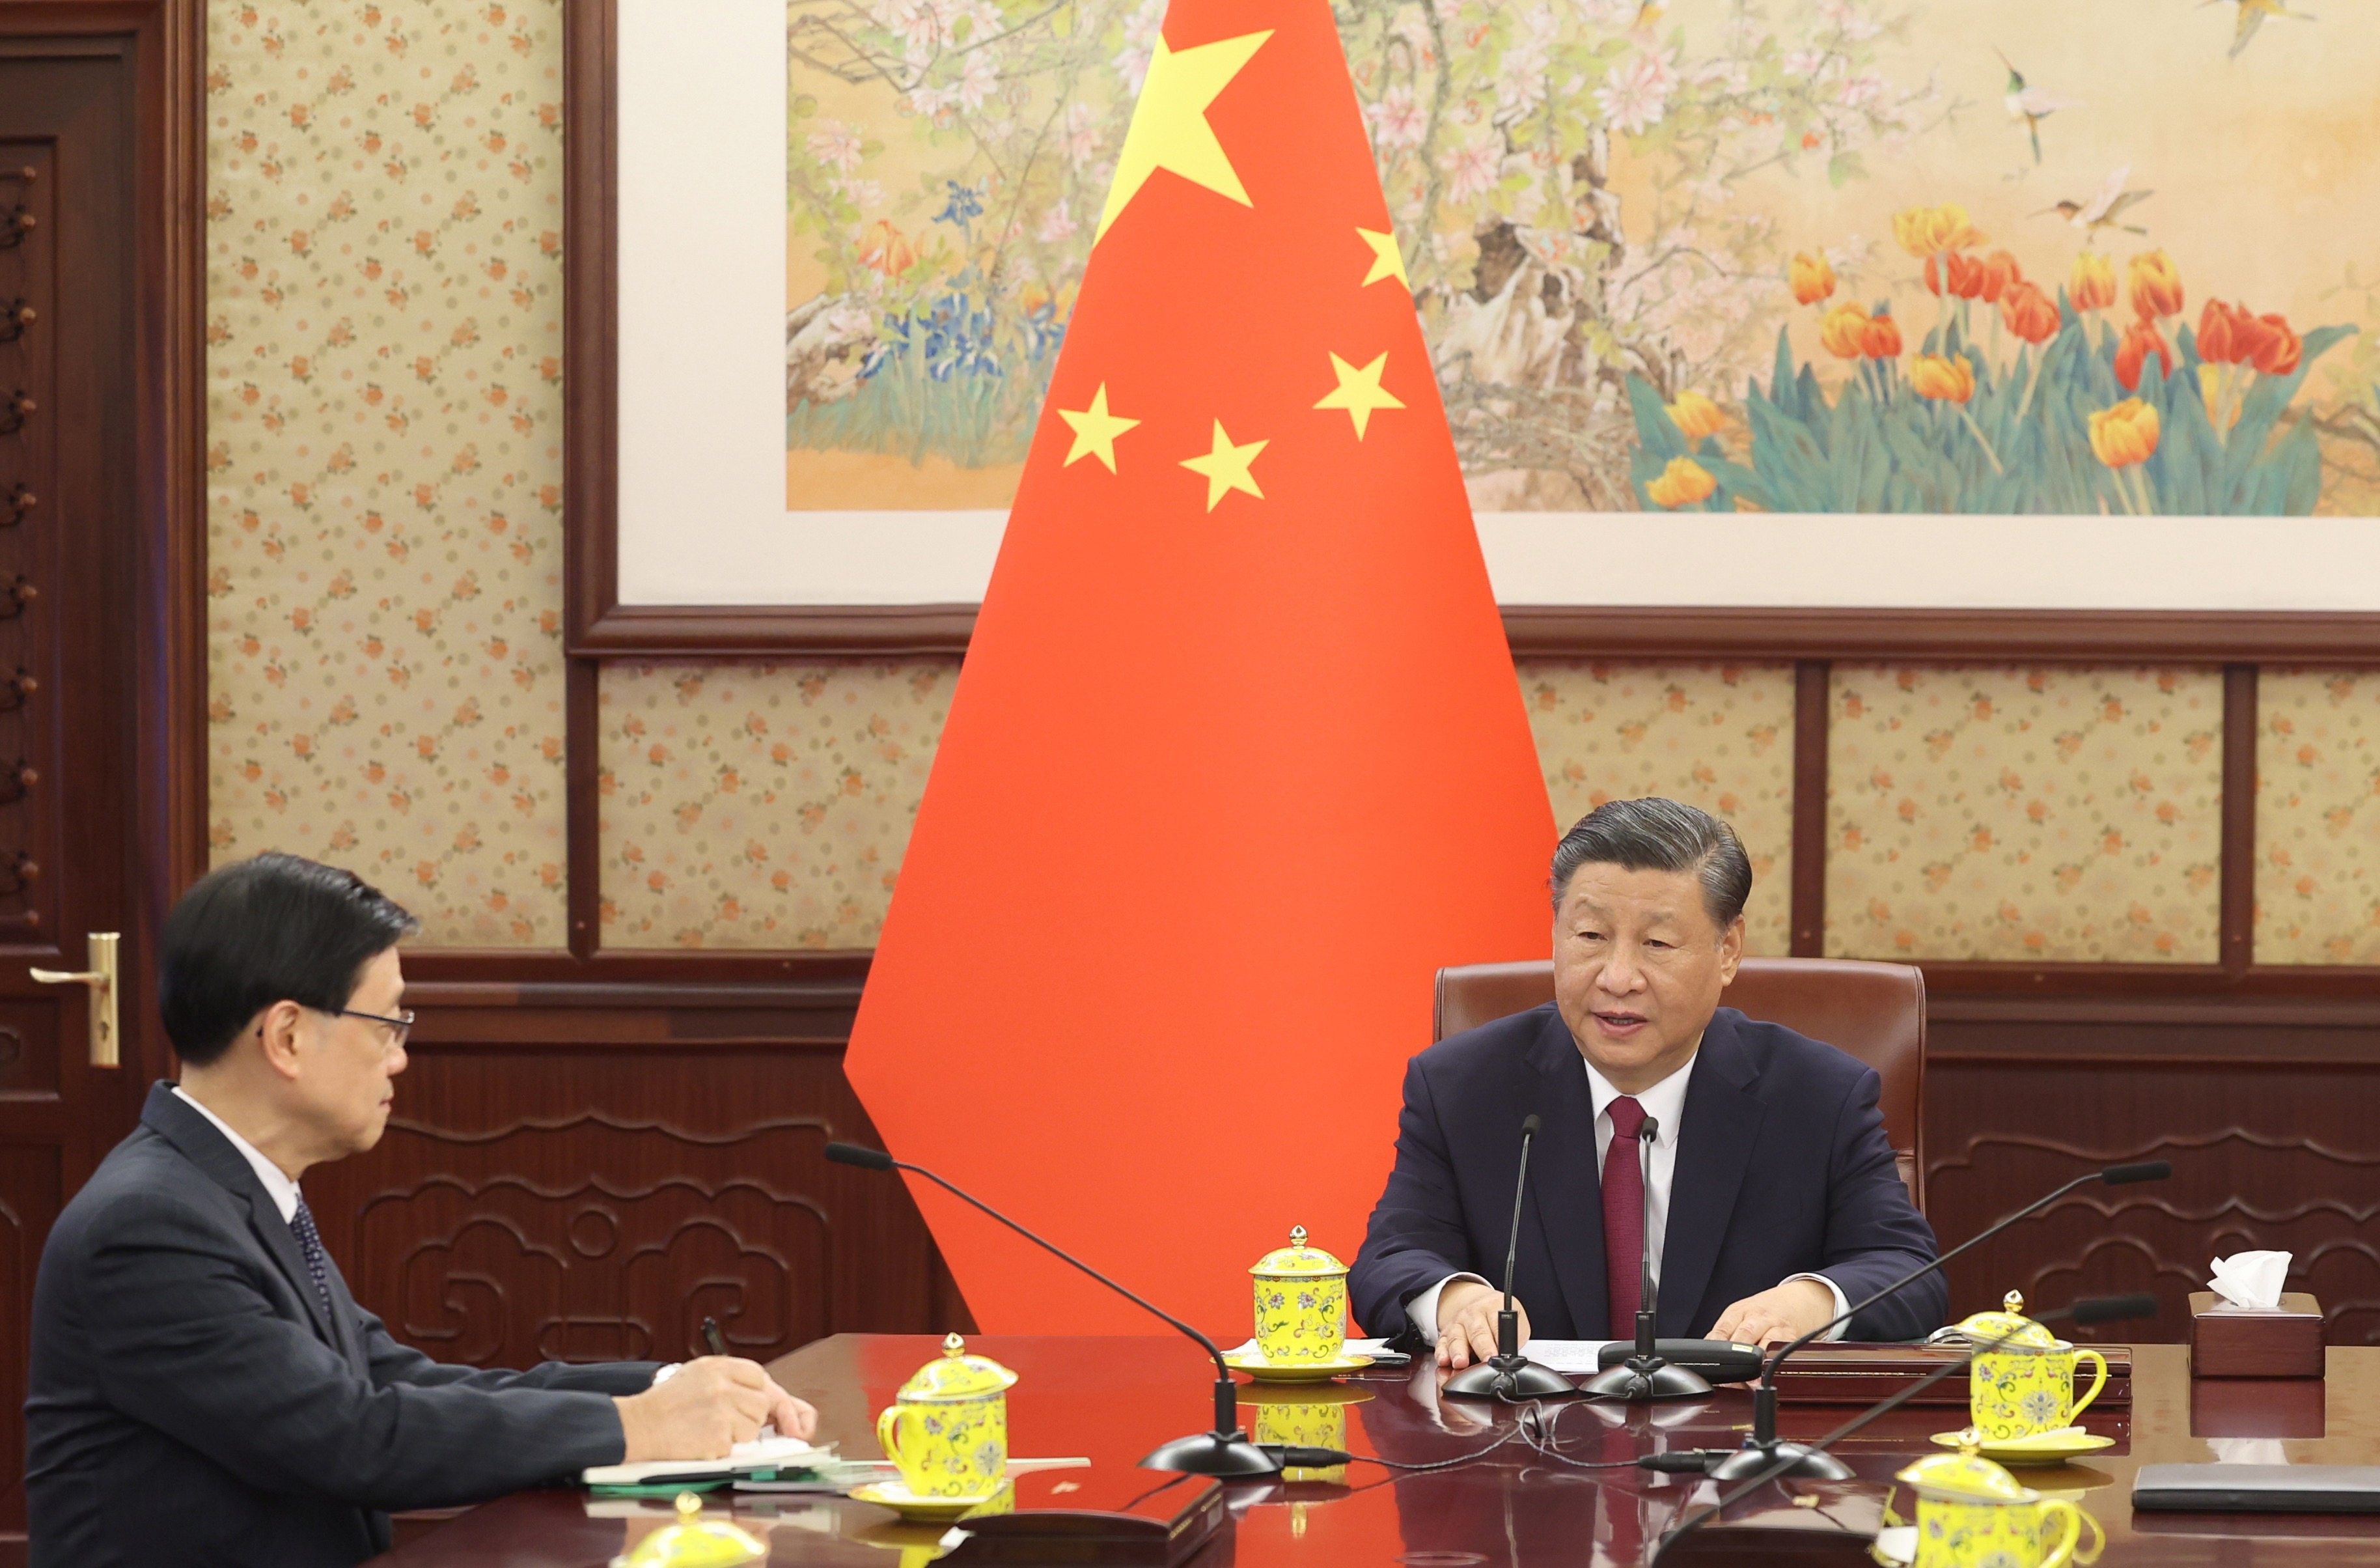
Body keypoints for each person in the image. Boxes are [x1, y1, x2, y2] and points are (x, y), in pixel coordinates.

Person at [26, 853, 820, 1567]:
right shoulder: (148, 1226)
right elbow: (352, 1437)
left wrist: (666, 1384)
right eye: (388, 1023)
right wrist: (638, 1427)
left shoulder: (225, 1187)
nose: (402, 1056)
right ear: (288, 1035)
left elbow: (394, 1379)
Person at [1349, 798, 1944, 1367]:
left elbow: (1906, 1269)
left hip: (1736, 1448)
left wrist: (1808, 1301)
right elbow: (1389, 1259)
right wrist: (1455, 1300)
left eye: (1657, 944)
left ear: (1728, 949)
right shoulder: (1463, 1087)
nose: (1618, 977)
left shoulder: (1819, 1096)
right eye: (1590, 937)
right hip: (1525, 1446)